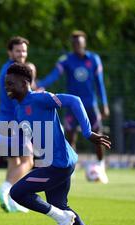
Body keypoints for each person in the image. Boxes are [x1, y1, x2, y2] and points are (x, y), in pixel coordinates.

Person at [0, 62, 111, 225]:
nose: (7, 87)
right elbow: (22, 142)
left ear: (24, 83)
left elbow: (74, 100)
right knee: (59, 205)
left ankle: (62, 218)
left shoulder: (40, 98)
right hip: (55, 164)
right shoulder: (20, 109)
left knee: (17, 192)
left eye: (11, 83)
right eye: (6, 84)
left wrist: (87, 131)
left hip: (59, 163)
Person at [37, 30, 109, 183]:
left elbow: (100, 83)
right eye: (74, 43)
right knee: (70, 137)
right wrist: (39, 85)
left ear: (84, 43)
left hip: (91, 105)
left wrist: (104, 103)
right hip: (72, 106)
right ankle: (70, 168)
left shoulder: (94, 59)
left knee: (97, 135)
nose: (76, 45)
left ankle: (101, 166)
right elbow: (54, 75)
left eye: (79, 42)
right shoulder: (66, 60)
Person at [0, 36, 33, 213]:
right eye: (18, 50)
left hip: (4, 120)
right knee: (29, 159)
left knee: (14, 161)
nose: (22, 54)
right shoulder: (13, 71)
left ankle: (10, 200)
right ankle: (5, 189)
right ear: (10, 52)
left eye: (24, 50)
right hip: (14, 121)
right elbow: (17, 100)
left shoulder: (7, 69)